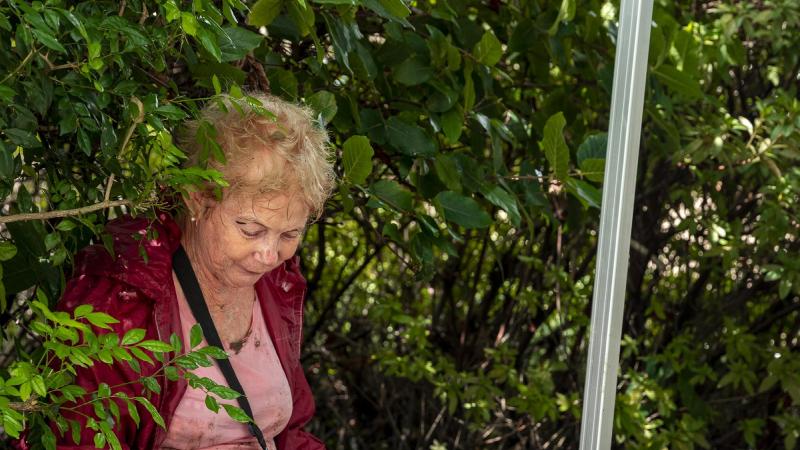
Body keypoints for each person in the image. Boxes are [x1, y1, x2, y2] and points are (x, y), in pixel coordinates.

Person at [53, 93, 335, 449]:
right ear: (197, 199)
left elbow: (291, 430)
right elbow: (76, 436)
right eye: (251, 229)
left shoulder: (277, 285)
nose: (268, 255)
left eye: (289, 234)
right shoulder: (121, 296)